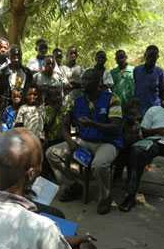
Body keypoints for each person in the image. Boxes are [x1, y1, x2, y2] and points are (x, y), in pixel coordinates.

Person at [0, 128, 138, 249]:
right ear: (30, 174)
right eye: (40, 164)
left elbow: (16, 244)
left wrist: (61, 242)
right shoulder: (42, 229)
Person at [46, 69, 123, 213]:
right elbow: (65, 124)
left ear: (98, 82)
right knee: (52, 153)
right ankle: (74, 184)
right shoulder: (78, 101)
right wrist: (70, 141)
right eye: (83, 79)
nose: (83, 82)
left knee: (99, 165)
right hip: (85, 141)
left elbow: (116, 126)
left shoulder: (112, 99)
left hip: (107, 142)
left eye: (88, 80)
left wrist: (93, 124)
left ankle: (105, 197)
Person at [119, 86, 164, 220]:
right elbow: (143, 132)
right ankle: (130, 195)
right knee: (136, 151)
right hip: (154, 141)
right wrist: (157, 131)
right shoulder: (153, 110)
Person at [0, 45, 33, 111]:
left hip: (24, 107)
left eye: (18, 55)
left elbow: (30, 90)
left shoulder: (27, 72)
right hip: (7, 108)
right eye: (13, 55)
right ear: (9, 56)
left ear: (21, 56)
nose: (16, 58)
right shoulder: (2, 73)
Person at [134, 45, 164, 115]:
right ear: (145, 55)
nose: (151, 58)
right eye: (149, 55)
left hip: (154, 108)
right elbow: (135, 86)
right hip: (139, 108)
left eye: (154, 56)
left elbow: (163, 92)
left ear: (157, 57)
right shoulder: (137, 70)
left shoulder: (161, 72)